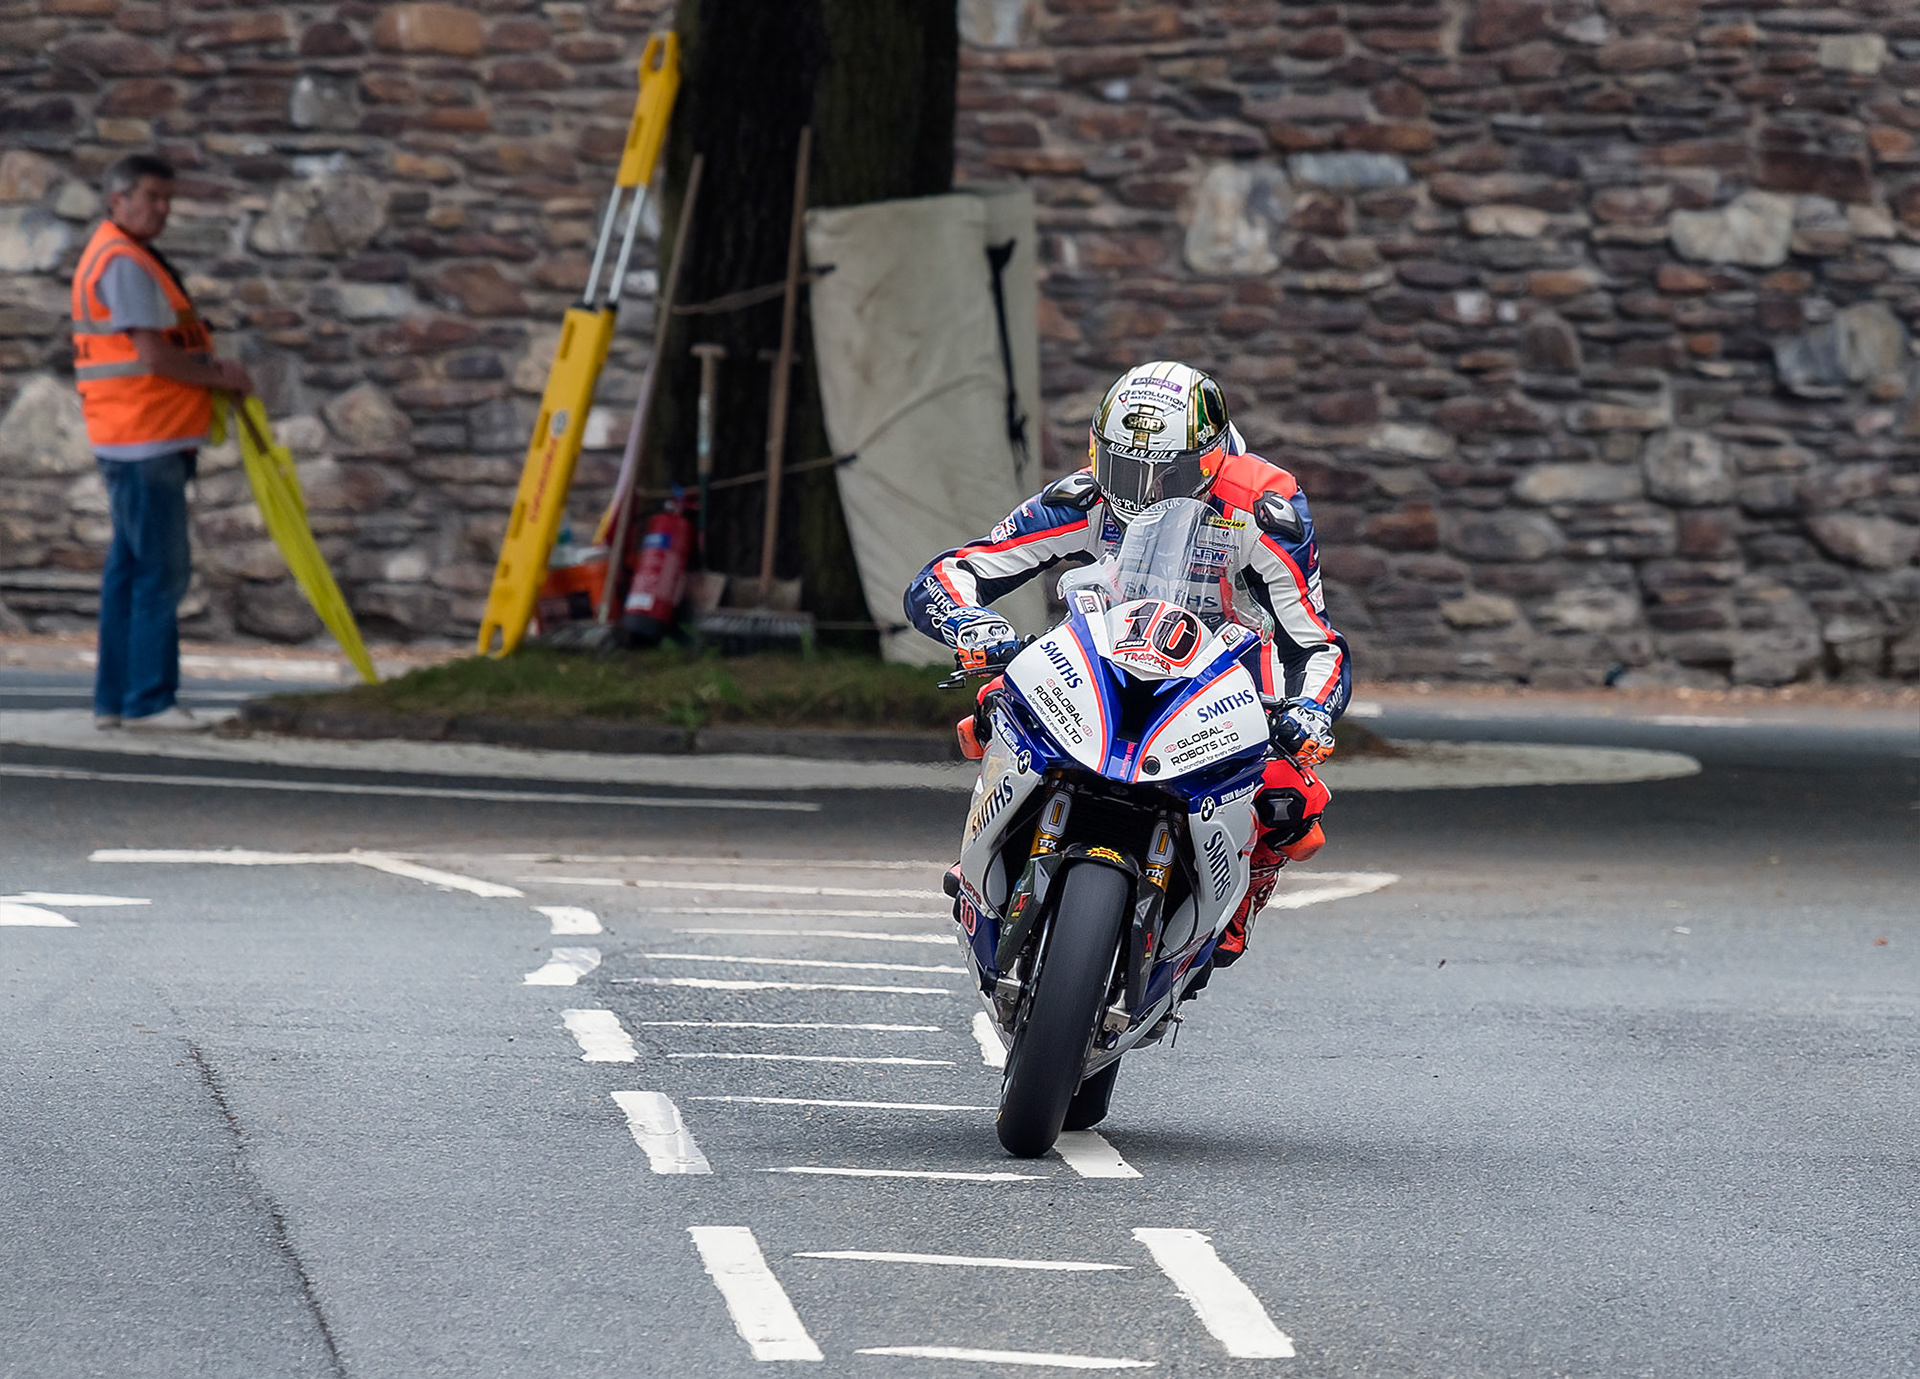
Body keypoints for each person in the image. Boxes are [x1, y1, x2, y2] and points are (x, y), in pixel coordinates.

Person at [905, 361, 1351, 965]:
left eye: (1166, 472)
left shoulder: (1265, 506)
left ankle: (1241, 890)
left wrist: (1310, 711)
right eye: (1123, 467)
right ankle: (995, 842)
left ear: (1212, 456)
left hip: (1229, 666)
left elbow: (1315, 640)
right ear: (1098, 451)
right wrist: (974, 624)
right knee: (995, 710)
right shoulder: (1087, 495)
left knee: (1287, 793)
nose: (1141, 490)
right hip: (1104, 650)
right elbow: (956, 569)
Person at [73, 154, 250, 731]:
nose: (164, 208)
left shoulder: (123, 254)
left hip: (135, 437)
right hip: (146, 439)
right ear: (117, 199)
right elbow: (152, 354)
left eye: (168, 198)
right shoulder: (123, 260)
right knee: (161, 572)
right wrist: (219, 378)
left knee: (130, 569)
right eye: (153, 196)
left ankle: (115, 701)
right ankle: (149, 700)